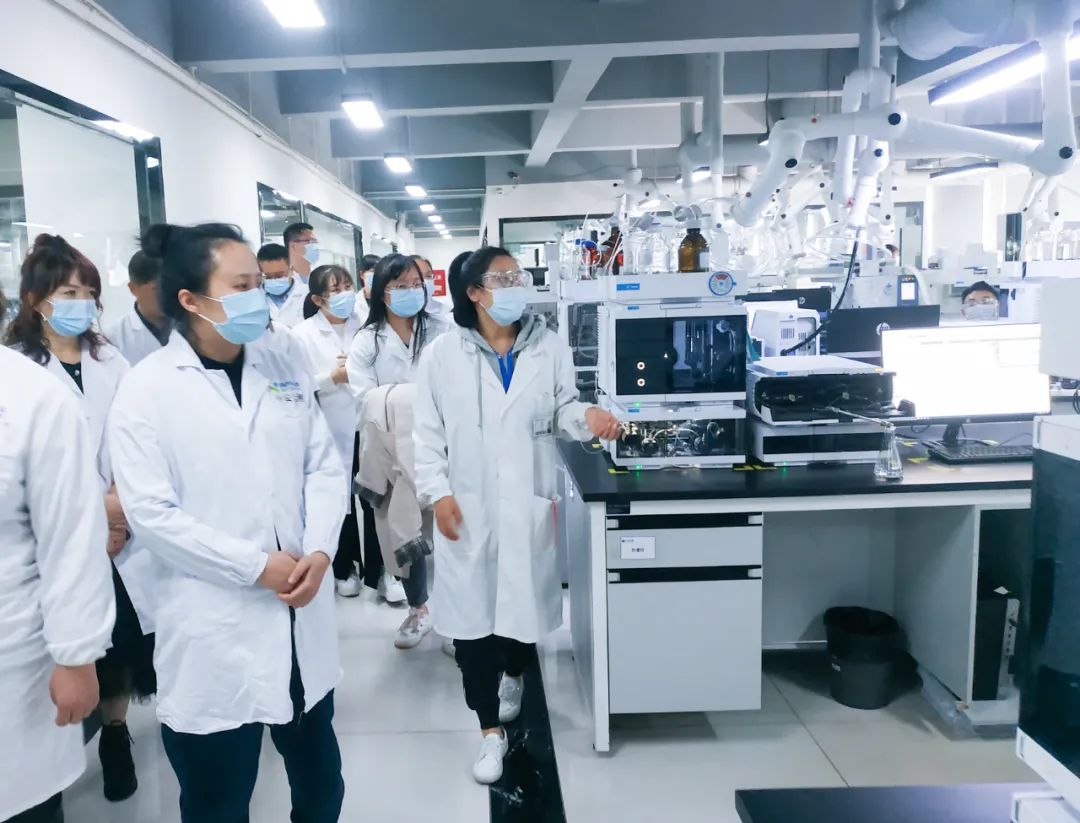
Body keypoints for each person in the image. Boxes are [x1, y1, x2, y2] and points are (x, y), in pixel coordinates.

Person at [107, 223, 347, 823]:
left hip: (300, 612)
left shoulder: (281, 365)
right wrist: (255, 566)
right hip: (212, 630)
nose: (258, 297)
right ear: (191, 300)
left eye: (259, 283)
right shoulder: (146, 391)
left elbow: (322, 465)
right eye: (242, 286)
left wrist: (320, 550)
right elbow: (151, 515)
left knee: (321, 788)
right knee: (217, 802)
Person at [414, 246, 621, 784]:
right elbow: (426, 435)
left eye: (518, 276)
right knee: (472, 628)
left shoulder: (548, 345)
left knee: (522, 612)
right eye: (502, 278)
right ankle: (489, 732)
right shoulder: (441, 356)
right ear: (474, 292)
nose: (516, 285)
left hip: (526, 500)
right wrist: (437, 493)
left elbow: (561, 408)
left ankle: (515, 673)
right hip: (467, 505)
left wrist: (588, 415)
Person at [4, 235, 155, 803]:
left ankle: (115, 732)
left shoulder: (109, 359)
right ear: (34, 298)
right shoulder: (18, 369)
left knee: (120, 640)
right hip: (52, 533)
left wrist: (117, 504)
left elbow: (136, 436)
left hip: (122, 522)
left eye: (89, 293)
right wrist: (96, 510)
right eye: (68, 292)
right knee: (70, 642)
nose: (82, 303)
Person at [0, 309, 116, 823]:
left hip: (13, 660)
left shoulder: (30, 396)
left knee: (22, 806)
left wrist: (76, 656)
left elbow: (71, 538)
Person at [347, 254, 450, 614]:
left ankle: (455, 614)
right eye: (400, 285)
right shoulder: (367, 341)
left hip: (441, 443)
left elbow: (455, 389)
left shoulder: (442, 331)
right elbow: (364, 398)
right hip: (391, 449)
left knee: (449, 529)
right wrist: (413, 403)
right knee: (404, 527)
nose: (411, 291)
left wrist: (398, 399)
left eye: (416, 284)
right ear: (381, 292)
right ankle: (417, 608)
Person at [292, 264, 369, 598]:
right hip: (330, 427)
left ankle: (381, 571)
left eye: (347, 286)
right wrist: (331, 378)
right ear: (317, 299)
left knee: (375, 499)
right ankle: (344, 566)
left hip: (368, 423)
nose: (344, 295)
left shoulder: (366, 326)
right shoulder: (302, 335)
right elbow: (296, 385)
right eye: (335, 290)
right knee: (339, 500)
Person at [105, 250, 172, 365]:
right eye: (158, 289)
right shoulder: (113, 338)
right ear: (133, 288)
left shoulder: (191, 325)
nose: (168, 294)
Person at [259, 242, 307, 328]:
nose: (274, 280)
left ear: (291, 269)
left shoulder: (307, 294)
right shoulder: (255, 297)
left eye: (279, 275)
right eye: (268, 277)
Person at [411, 254, 451, 322]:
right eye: (418, 276)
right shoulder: (405, 315)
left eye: (428, 276)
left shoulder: (448, 312)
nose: (424, 281)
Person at [284, 222, 319, 287]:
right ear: (293, 246)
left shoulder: (320, 276)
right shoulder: (280, 279)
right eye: (310, 241)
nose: (315, 246)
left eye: (315, 242)